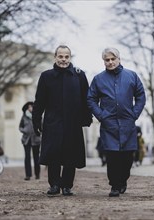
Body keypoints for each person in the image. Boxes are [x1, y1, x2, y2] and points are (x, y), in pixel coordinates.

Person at [32, 45, 92, 196]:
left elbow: (86, 99)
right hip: (53, 122)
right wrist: (36, 120)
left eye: (66, 57)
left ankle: (67, 186)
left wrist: (87, 118)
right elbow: (39, 101)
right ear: (55, 57)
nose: (63, 59)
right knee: (54, 155)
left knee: (70, 155)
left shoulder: (79, 76)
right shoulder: (46, 76)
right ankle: (54, 185)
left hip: (73, 122)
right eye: (60, 56)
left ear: (70, 58)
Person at [87, 47, 146, 197]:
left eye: (113, 59)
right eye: (107, 60)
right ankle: (114, 185)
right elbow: (91, 99)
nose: (110, 62)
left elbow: (140, 95)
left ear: (119, 59)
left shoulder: (131, 76)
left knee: (127, 157)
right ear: (104, 61)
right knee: (112, 157)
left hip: (128, 123)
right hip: (109, 124)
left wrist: (134, 114)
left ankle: (123, 181)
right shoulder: (98, 79)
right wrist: (101, 115)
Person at [19, 101, 41, 181]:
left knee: (36, 158)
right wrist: (24, 130)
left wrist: (39, 131)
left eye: (31, 106)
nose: (30, 108)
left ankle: (37, 174)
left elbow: (41, 125)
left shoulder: (37, 115)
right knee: (27, 157)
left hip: (36, 139)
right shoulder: (24, 116)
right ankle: (28, 175)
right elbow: (20, 127)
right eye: (28, 107)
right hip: (26, 140)